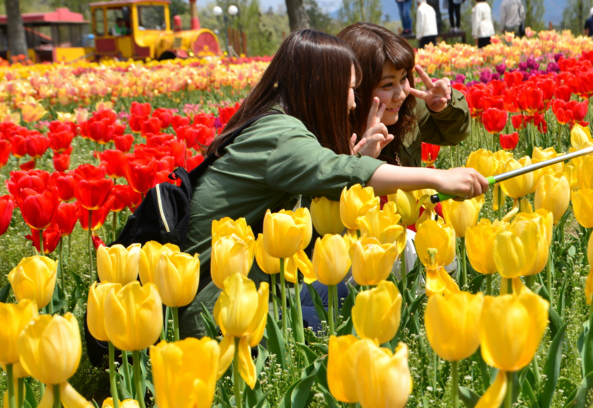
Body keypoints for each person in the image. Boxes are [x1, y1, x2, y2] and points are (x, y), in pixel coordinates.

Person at [180, 29, 487, 337]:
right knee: (372, 310)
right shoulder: (281, 134)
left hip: (253, 291)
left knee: (372, 293)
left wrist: (361, 157)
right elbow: (336, 171)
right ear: (322, 87)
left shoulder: (277, 119)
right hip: (223, 312)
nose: (355, 101)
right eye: (351, 88)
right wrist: (438, 177)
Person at [338, 22, 470, 168]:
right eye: (388, 85)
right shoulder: (329, 137)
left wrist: (444, 108)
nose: (400, 95)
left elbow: (455, 135)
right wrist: (357, 163)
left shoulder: (408, 109)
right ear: (356, 87)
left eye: (403, 78)